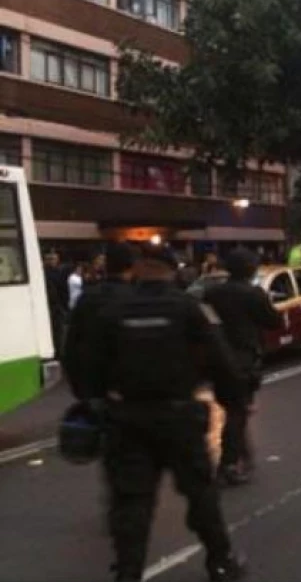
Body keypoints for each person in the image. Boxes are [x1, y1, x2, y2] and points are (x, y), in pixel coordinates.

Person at [83, 244, 248, 582]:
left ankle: (128, 572)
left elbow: (84, 362)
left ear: (138, 270)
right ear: (172, 271)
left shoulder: (113, 311)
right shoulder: (188, 308)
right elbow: (221, 360)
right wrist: (234, 399)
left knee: (132, 502)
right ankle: (221, 561)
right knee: (200, 495)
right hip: (178, 416)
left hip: (128, 418)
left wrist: (96, 401)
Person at [203, 248, 283, 486]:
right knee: (237, 411)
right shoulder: (253, 294)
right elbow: (273, 321)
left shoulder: (212, 293)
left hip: (217, 358)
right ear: (250, 269)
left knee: (232, 407)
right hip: (243, 358)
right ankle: (228, 463)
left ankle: (242, 454)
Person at [63, 242, 136, 401]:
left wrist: (80, 389)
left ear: (106, 266)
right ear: (132, 267)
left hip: (94, 387)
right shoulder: (138, 298)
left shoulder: (88, 297)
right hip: (129, 390)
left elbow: (72, 345)